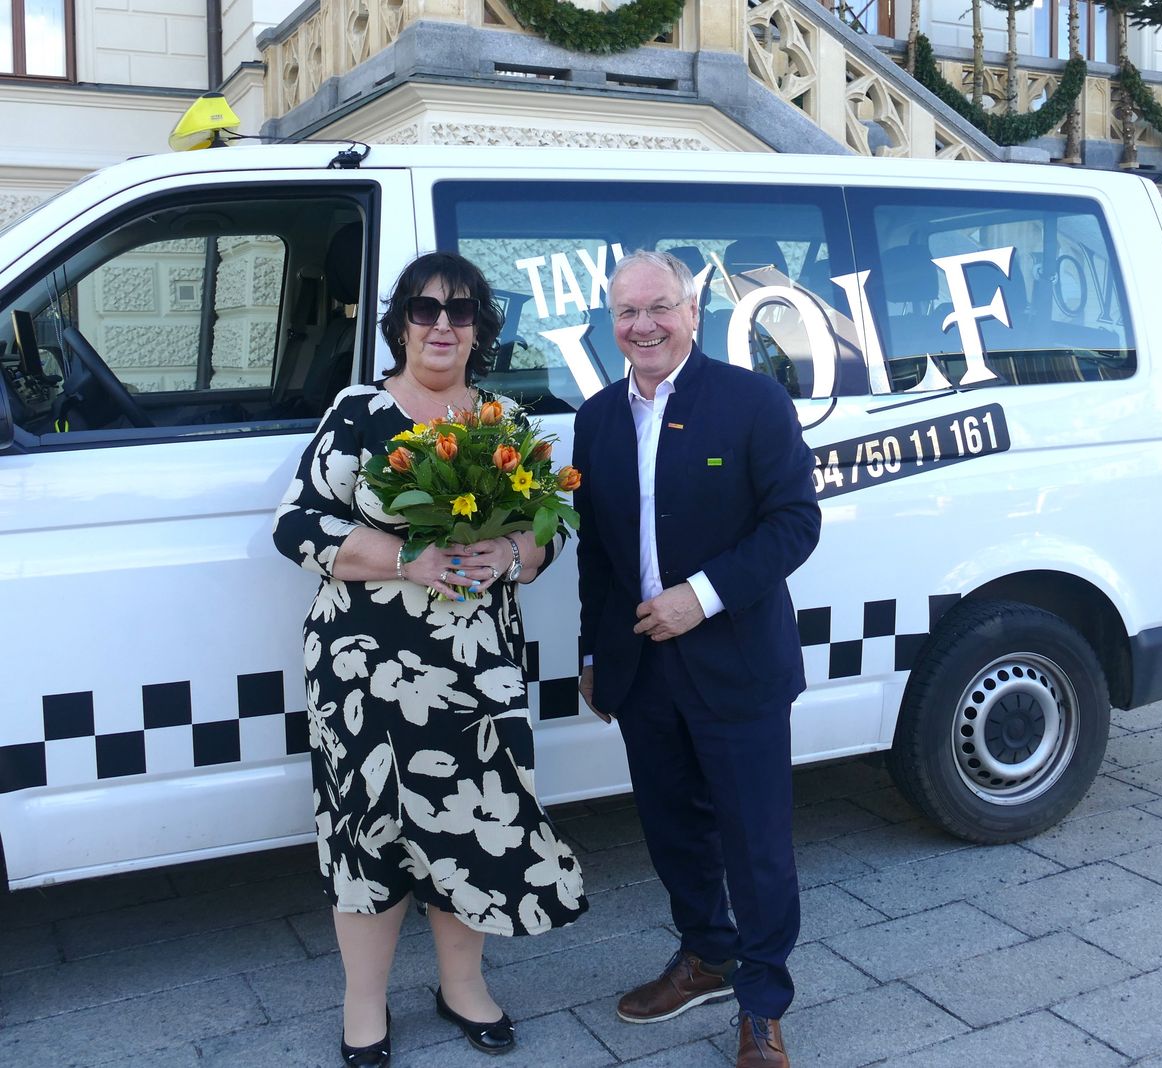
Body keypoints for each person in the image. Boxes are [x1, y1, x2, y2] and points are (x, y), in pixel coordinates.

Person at [273, 250, 586, 1066]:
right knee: (367, 833)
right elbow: (295, 526)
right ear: (401, 324)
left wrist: (511, 554)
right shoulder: (359, 412)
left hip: (476, 672)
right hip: (364, 672)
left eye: (461, 309)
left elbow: (549, 530)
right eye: (424, 308)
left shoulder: (504, 423)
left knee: (470, 828)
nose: (442, 324)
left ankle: (462, 987)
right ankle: (364, 1004)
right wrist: (403, 558)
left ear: (480, 328)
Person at [573, 250, 821, 1068]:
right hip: (641, 666)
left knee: (755, 843)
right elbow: (597, 555)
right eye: (626, 312)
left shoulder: (752, 402)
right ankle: (706, 955)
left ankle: (763, 1003)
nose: (642, 325)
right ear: (611, 324)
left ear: (692, 311)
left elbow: (795, 523)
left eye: (659, 307)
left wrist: (702, 596)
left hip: (736, 661)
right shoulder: (597, 419)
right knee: (672, 830)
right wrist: (593, 652)